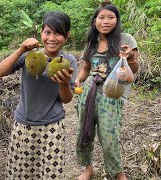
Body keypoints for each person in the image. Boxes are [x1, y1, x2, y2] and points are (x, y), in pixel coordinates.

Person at [0, 11, 77, 179]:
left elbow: (67, 99)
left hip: (52, 126)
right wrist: (20, 49)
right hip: (23, 124)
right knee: (20, 173)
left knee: (49, 174)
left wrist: (63, 83)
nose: (52, 38)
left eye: (58, 33)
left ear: (67, 36)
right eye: (47, 32)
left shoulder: (69, 61)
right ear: (41, 33)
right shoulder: (29, 56)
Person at [74, 1, 139, 180]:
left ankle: (118, 173)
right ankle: (88, 169)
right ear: (95, 21)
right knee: (83, 132)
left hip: (112, 94)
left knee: (110, 138)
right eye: (101, 17)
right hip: (88, 92)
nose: (106, 21)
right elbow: (86, 67)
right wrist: (79, 78)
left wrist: (131, 56)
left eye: (111, 17)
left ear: (117, 20)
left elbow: (134, 69)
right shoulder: (92, 43)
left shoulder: (125, 40)